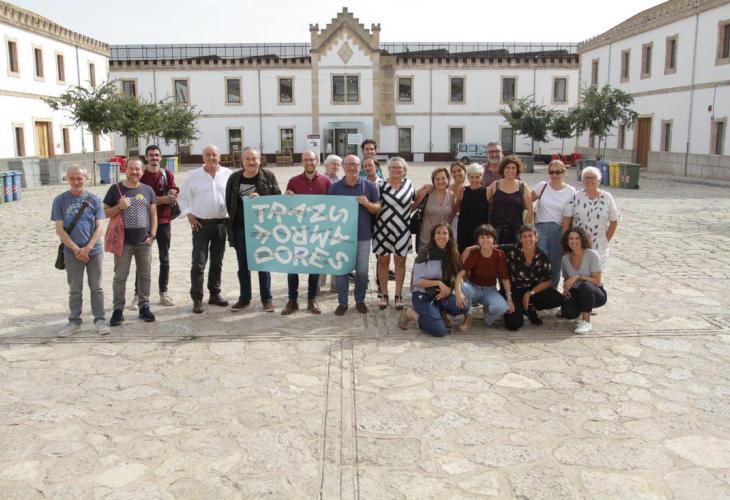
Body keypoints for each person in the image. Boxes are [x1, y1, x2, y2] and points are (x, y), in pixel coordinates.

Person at [51, 165, 109, 337]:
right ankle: (74, 322)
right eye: (72, 178)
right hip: (72, 252)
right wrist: (77, 249)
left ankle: (100, 320)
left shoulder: (94, 200)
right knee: (75, 289)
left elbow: (99, 227)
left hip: (94, 251)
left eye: (79, 178)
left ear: (86, 178)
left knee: (96, 287)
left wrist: (88, 248)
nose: (76, 182)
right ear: (67, 179)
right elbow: (59, 229)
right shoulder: (60, 200)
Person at [103, 158, 158, 326]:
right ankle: (118, 310)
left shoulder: (148, 190)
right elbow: (105, 213)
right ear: (125, 169)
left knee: (145, 275)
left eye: (138, 169)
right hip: (123, 242)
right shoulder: (115, 189)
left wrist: (152, 235)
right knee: (120, 277)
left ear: (142, 171)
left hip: (143, 242)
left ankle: (144, 306)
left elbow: (153, 215)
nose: (135, 172)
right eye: (131, 169)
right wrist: (119, 207)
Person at [178, 145, 232, 314]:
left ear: (219, 156)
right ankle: (197, 298)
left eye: (214, 154)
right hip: (200, 224)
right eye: (207, 154)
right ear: (203, 157)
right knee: (198, 263)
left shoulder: (227, 174)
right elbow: (182, 197)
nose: (211, 157)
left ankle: (214, 294)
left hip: (221, 224)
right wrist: (188, 215)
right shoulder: (193, 175)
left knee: (217, 262)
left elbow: (234, 195)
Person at [225, 147, 280, 312]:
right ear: (242, 161)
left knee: (264, 264)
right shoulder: (234, 178)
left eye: (254, 158)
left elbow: (277, 200)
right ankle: (244, 298)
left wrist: (262, 199)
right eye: (247, 159)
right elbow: (228, 202)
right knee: (243, 265)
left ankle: (267, 299)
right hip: (240, 229)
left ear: (260, 160)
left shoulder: (268, 176)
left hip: (263, 230)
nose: (251, 162)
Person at [328, 154, 381, 315]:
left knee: (362, 271)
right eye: (349, 164)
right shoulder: (335, 188)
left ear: (360, 167)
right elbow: (328, 211)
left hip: (363, 236)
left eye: (355, 164)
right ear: (343, 167)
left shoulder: (369, 186)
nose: (352, 167)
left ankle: (360, 300)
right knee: (342, 271)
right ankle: (342, 302)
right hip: (341, 237)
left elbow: (377, 208)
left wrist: (367, 203)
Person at [282, 150, 331, 315]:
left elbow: (333, 205)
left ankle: (312, 299)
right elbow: (287, 206)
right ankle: (292, 300)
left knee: (314, 266)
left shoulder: (326, 182)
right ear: (302, 162)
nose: (309, 162)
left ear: (317, 161)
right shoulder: (293, 181)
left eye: (312, 159)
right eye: (306, 160)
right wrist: (287, 196)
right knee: (292, 266)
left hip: (317, 230)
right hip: (297, 231)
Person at [398, 223, 470, 336]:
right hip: (423, 295)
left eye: (445, 233)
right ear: (433, 236)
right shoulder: (425, 253)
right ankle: (412, 314)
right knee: (440, 331)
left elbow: (459, 275)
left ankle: (439, 313)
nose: (441, 236)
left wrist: (451, 290)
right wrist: (438, 283)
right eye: (438, 233)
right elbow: (417, 281)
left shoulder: (453, 253)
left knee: (464, 305)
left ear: (450, 236)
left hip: (441, 295)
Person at [131, 145, 179, 308]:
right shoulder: (141, 175)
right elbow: (140, 198)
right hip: (143, 223)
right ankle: (138, 295)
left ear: (161, 157)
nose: (154, 157)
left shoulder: (167, 174)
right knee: (142, 260)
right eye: (151, 155)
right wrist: (163, 199)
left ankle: (163, 293)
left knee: (164, 259)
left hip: (164, 221)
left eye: (157, 155)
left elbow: (173, 193)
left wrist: (170, 194)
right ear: (146, 157)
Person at [499, 225, 564, 330]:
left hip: (532, 289)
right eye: (524, 236)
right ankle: (520, 308)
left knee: (558, 299)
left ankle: (531, 309)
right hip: (513, 290)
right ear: (520, 239)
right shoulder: (511, 250)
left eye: (530, 236)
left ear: (536, 238)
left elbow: (548, 281)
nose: (527, 239)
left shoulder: (542, 256)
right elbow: (490, 246)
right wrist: (472, 248)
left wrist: (530, 293)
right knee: (514, 324)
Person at [373, 157, 415, 310]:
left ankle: (398, 295)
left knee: (400, 263)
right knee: (383, 262)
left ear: (404, 170)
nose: (397, 170)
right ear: (388, 169)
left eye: (400, 168)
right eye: (393, 167)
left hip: (402, 229)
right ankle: (384, 294)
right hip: (382, 229)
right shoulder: (380, 185)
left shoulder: (409, 184)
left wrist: (423, 192)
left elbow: (412, 204)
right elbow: (375, 206)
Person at [456, 223, 513, 331]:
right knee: (463, 287)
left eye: (488, 237)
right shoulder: (473, 253)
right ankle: (468, 318)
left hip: (490, 290)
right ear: (477, 240)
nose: (485, 240)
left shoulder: (499, 255)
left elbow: (505, 278)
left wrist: (509, 298)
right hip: (473, 289)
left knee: (501, 308)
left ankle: (488, 314)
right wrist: (458, 292)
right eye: (482, 237)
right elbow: (460, 276)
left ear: (493, 239)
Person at [562, 166, 619, 267]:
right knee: (579, 272)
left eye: (593, 178)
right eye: (586, 178)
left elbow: (614, 220)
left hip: (599, 246)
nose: (589, 180)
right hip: (578, 245)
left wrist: (606, 239)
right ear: (582, 180)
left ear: (598, 180)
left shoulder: (607, 197)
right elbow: (566, 219)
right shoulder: (575, 196)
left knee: (597, 274)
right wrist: (567, 241)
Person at [531, 160, 576, 288]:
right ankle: (538, 290)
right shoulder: (542, 186)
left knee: (556, 262)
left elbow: (571, 214)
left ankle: (553, 290)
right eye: (551, 172)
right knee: (540, 260)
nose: (554, 175)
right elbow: (527, 201)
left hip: (560, 229)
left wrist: (565, 236)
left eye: (558, 172)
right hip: (541, 227)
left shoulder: (571, 191)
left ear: (564, 173)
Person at [560, 226, 607, 334]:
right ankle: (581, 312)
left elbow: (597, 280)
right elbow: (567, 279)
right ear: (567, 241)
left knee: (585, 286)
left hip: (594, 292)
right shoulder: (565, 259)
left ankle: (586, 322)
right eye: (571, 238)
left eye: (577, 238)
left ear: (582, 240)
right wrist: (566, 289)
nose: (574, 241)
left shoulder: (592, 255)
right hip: (576, 291)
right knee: (568, 313)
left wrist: (579, 277)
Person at [487, 155, 533, 245]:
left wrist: (524, 230)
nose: (510, 170)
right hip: (496, 231)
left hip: (516, 231)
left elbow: (530, 210)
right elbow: (486, 204)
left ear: (517, 170)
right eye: (507, 167)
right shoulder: (495, 185)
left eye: (513, 168)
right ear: (503, 169)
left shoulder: (522, 187)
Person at [415, 167, 454, 251]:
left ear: (448, 179)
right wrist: (422, 188)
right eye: (437, 179)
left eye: (443, 178)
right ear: (433, 181)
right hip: (426, 238)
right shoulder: (427, 193)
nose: (440, 181)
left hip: (443, 240)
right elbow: (412, 200)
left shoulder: (452, 196)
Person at [455, 163, 490, 253]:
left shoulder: (487, 191)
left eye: (477, 177)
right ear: (468, 177)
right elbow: (456, 207)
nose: (474, 180)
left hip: (480, 231)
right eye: (472, 177)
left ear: (481, 177)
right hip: (464, 230)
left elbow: (491, 210)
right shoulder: (463, 190)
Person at [449, 161, 466, 235]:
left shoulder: (470, 188)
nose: (456, 173)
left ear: (465, 171)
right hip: (450, 223)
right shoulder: (447, 188)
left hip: (464, 223)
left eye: (459, 170)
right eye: (454, 172)